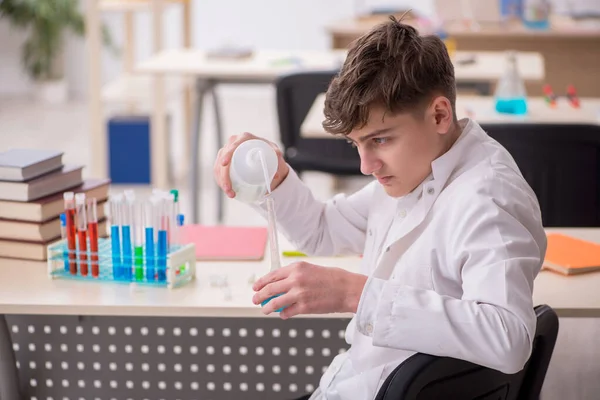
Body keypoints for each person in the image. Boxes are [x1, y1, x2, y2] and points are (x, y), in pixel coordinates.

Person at [213, 15, 546, 400]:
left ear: (439, 114)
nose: (366, 167)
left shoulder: (488, 197)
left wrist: (355, 294)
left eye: (381, 140)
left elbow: (509, 338)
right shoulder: (418, 172)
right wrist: (277, 180)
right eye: (357, 145)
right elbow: (322, 231)